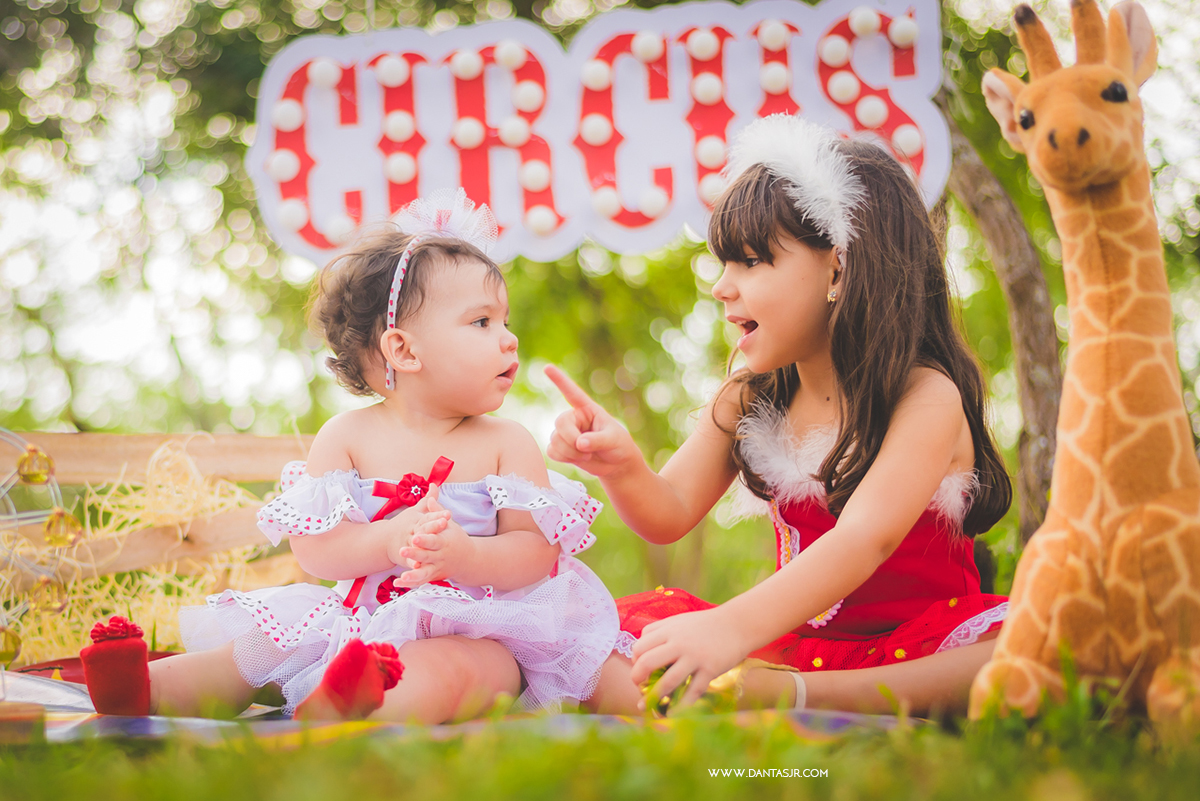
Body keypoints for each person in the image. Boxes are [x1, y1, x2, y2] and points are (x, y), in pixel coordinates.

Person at [80, 190, 630, 722]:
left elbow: (535, 554)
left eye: (505, 321)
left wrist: (465, 556)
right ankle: (147, 690)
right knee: (264, 646)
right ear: (404, 350)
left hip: (477, 626)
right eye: (482, 322)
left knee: (460, 670)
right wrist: (387, 539)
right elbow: (317, 552)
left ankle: (357, 703)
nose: (509, 339)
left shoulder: (505, 442)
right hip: (356, 620)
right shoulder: (347, 436)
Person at [556, 116, 1013, 717]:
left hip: (917, 649)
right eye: (725, 264)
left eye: (750, 261)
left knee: (1033, 645)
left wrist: (729, 630)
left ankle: (797, 698)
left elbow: (865, 539)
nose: (722, 287)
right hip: (790, 646)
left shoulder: (926, 395)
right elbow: (667, 513)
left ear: (839, 268)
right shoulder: (748, 396)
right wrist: (621, 467)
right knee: (599, 649)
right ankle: (761, 694)